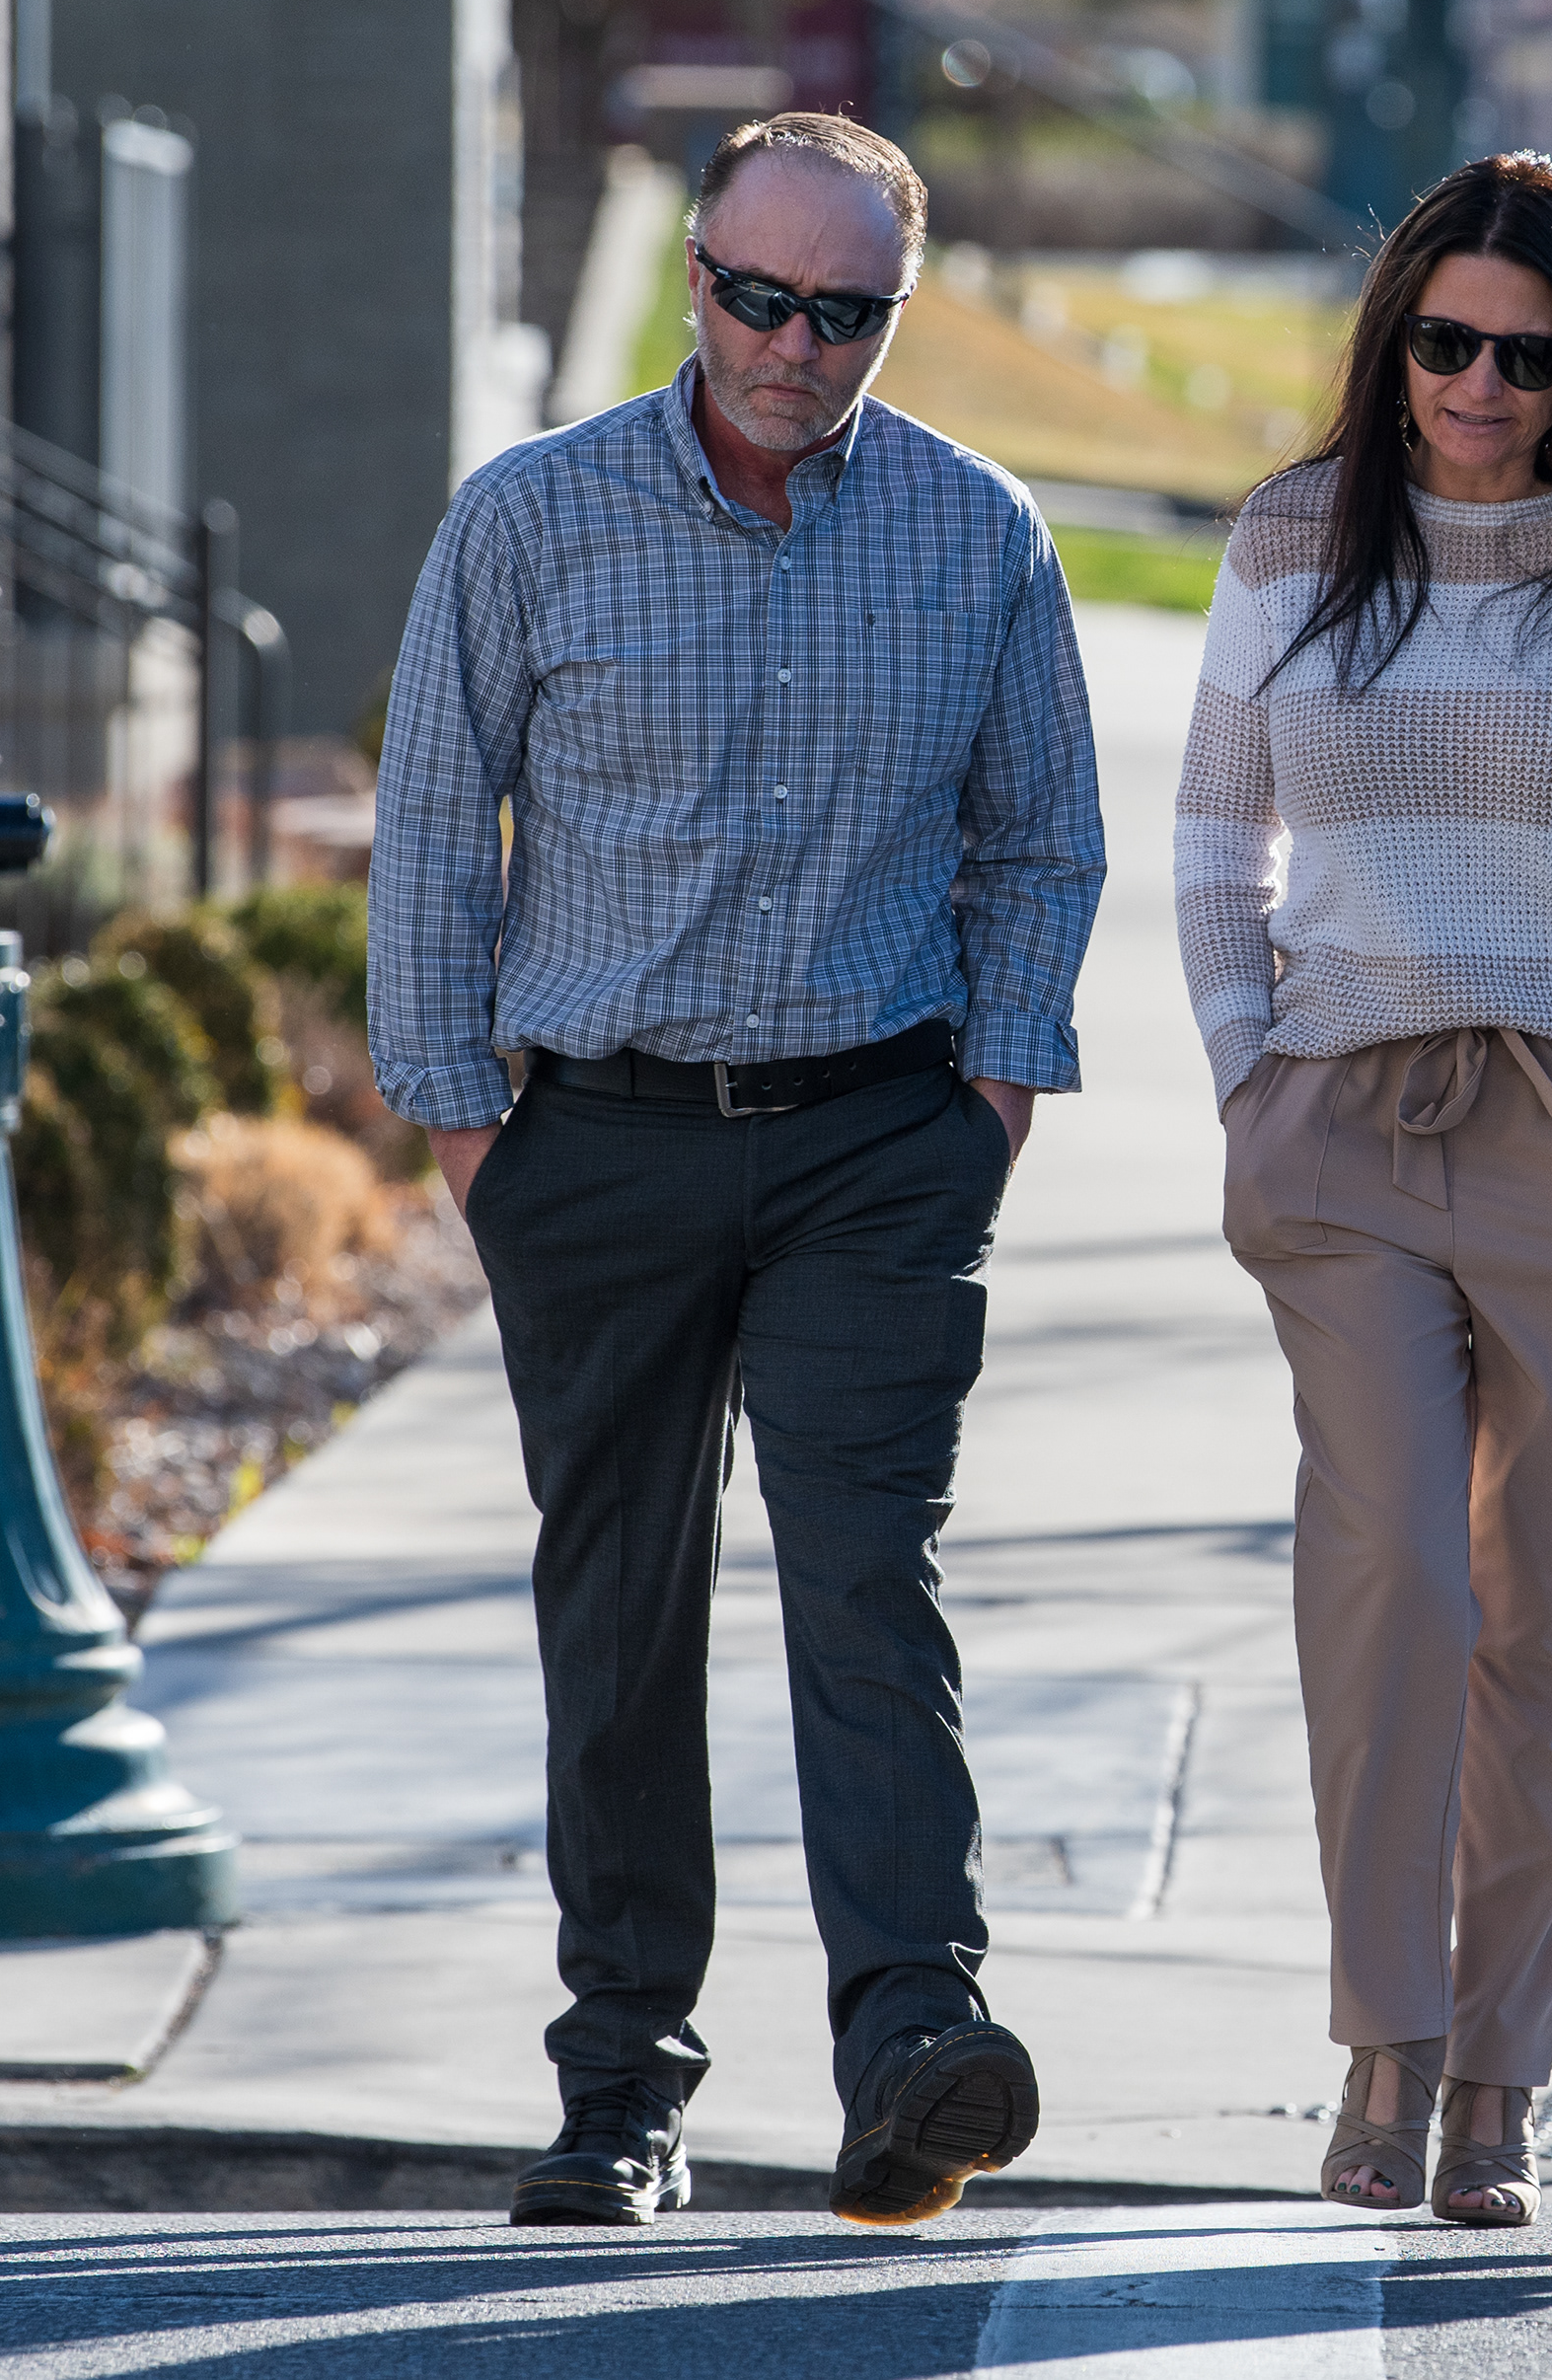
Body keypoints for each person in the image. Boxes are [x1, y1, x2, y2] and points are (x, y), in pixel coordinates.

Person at [370, 112, 1104, 2231]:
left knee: (868, 1575)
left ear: (893, 309)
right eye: (759, 294)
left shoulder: (978, 532)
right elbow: (435, 829)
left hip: (880, 1137)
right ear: (697, 275)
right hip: (588, 1141)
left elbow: (1042, 841)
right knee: (621, 1609)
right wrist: (469, 1127)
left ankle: (914, 2046)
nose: (795, 344)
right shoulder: (530, 520)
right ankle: (621, 2089)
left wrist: (990, 1098)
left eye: (845, 310)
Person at [1175, 153, 1552, 2230]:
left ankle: (1498, 2079)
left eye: (1523, 357)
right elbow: (1211, 839)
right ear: (1396, 339)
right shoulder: (1294, 535)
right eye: (1443, 341)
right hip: (1344, 1123)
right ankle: (1385, 2035)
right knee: (1391, 1588)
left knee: (1550, 1618)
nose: (1476, 386)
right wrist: (1252, 1081)